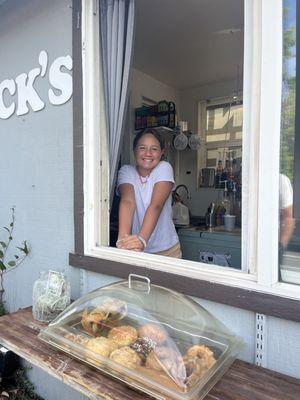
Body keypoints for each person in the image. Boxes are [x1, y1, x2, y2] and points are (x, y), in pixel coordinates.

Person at [116, 129, 181, 258]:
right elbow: (128, 202)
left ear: (162, 152)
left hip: (167, 250)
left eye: (154, 149)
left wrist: (142, 240)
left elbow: (156, 205)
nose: (148, 153)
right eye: (142, 148)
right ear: (134, 150)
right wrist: (123, 240)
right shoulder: (126, 171)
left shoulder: (164, 168)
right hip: (136, 250)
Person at [279, 173, 295, 269]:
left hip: (272, 242)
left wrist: (280, 247)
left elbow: (288, 218)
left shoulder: (281, 181)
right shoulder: (251, 181)